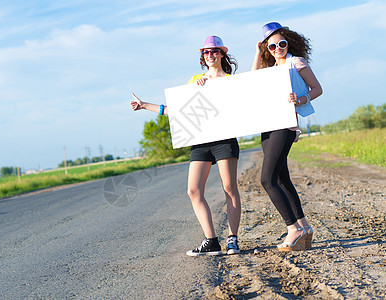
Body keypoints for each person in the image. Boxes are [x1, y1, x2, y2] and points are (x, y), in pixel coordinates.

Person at [131, 36, 241, 256]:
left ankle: (232, 240)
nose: (210, 55)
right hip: (199, 141)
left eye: (214, 51)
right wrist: (144, 105)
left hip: (224, 140)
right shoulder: (195, 80)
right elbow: (179, 110)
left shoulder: (231, 81)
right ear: (203, 56)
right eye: (206, 53)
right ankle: (211, 241)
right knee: (193, 191)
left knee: (229, 188)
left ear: (222, 54)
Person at [251, 22, 323, 251]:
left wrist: (299, 99)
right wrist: (257, 52)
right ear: (267, 50)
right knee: (282, 179)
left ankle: (293, 228)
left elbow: (317, 88)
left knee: (267, 179)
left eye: (281, 44)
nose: (278, 49)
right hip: (267, 126)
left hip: (285, 125)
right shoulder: (269, 69)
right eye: (271, 46)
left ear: (288, 43)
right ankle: (305, 227)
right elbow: (251, 82)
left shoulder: (295, 62)